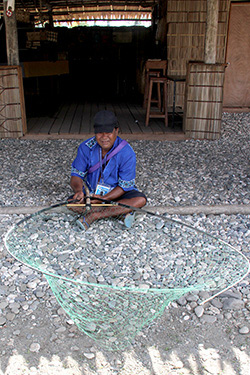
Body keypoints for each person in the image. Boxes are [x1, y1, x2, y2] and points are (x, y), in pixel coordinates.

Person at [70, 110, 147, 229]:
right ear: (95, 132)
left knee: (140, 200)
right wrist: (79, 191)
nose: (104, 137)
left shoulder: (127, 152)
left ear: (116, 131)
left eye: (109, 133)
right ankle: (119, 213)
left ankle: (94, 216)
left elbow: (124, 186)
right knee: (71, 204)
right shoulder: (85, 148)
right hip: (92, 193)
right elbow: (76, 176)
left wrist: (103, 199)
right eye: (100, 133)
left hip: (117, 194)